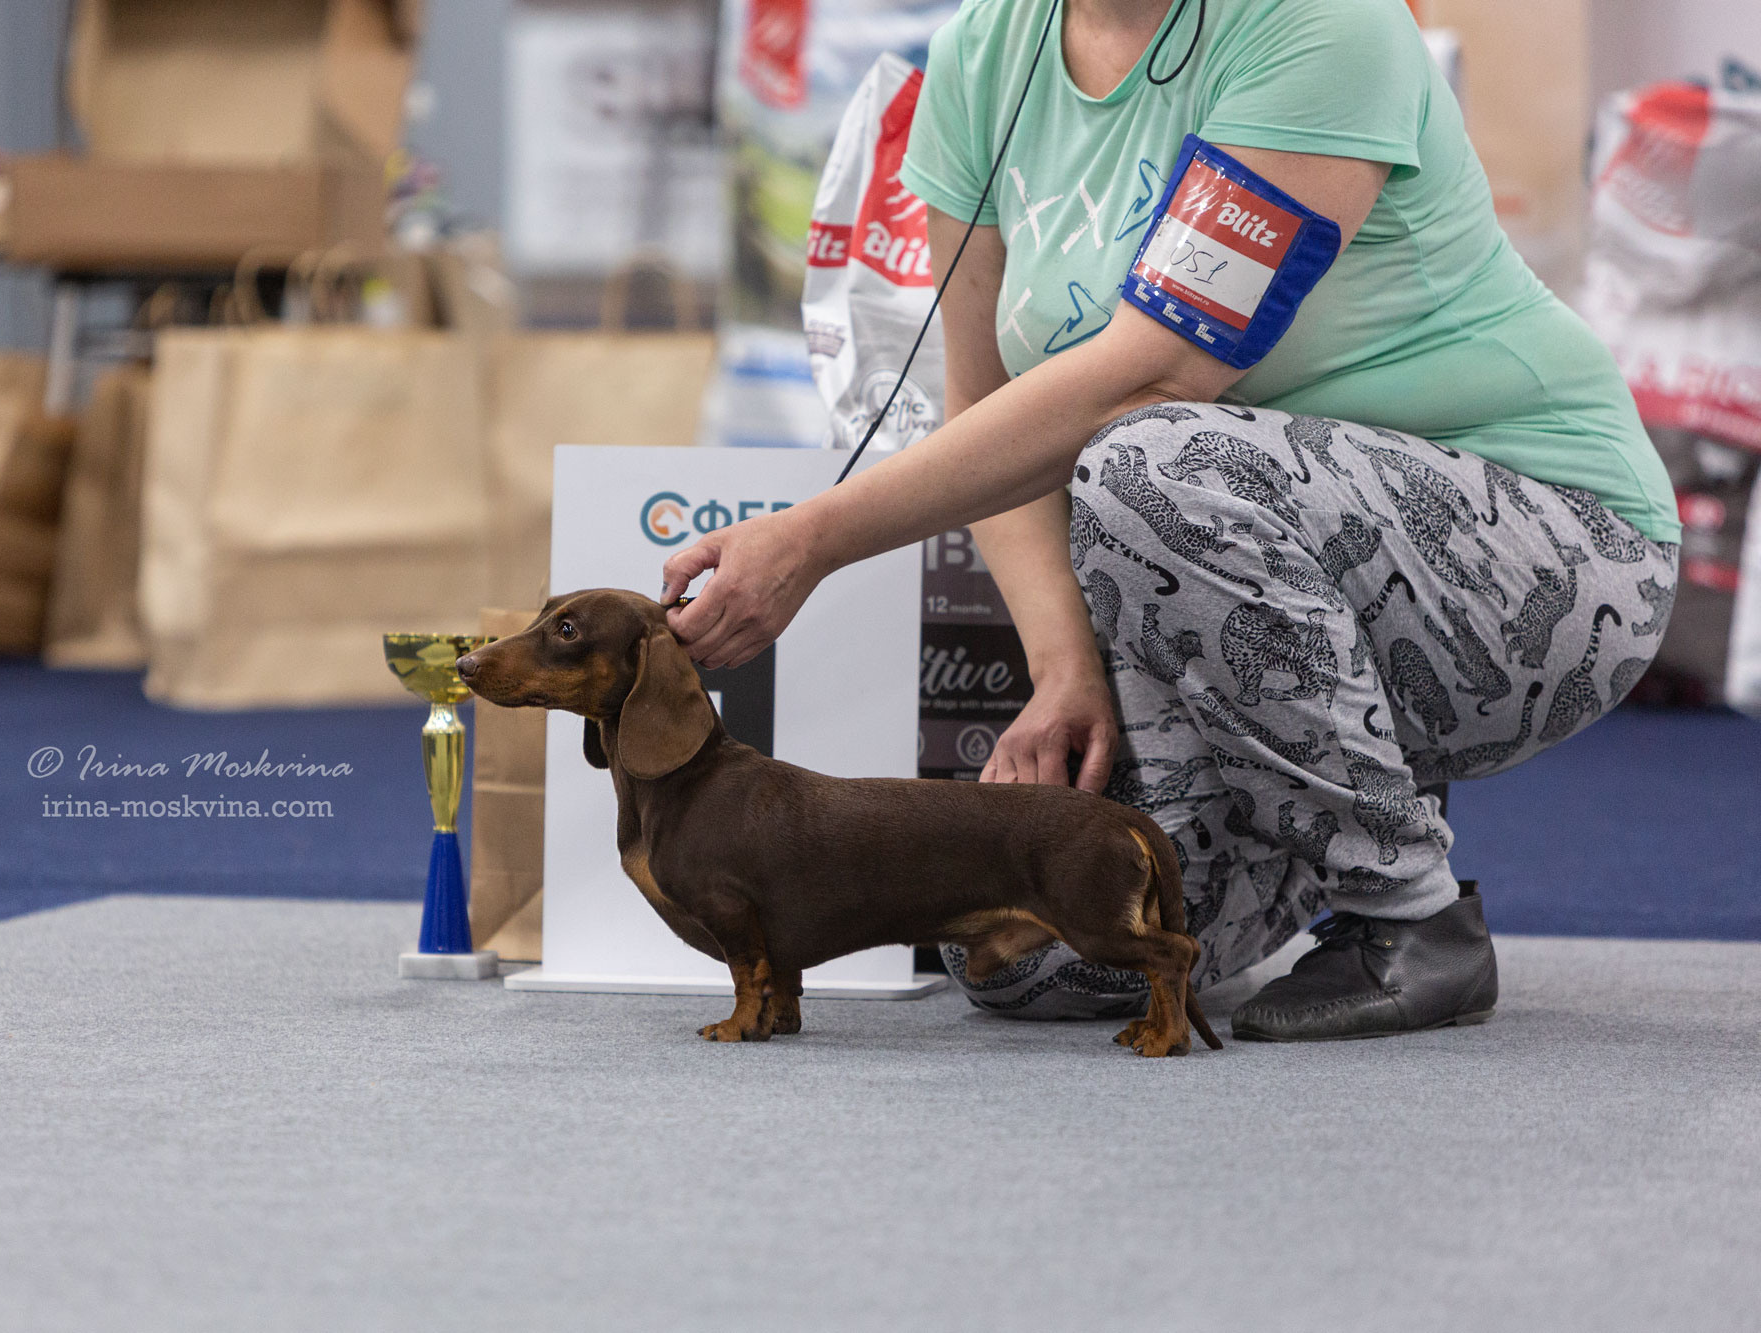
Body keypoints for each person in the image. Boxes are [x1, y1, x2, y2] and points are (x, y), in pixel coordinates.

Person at [660, 0, 1679, 1041]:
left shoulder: (1322, 23)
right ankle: (1332, 796)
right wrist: (1064, 671)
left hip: (1545, 549)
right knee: (1037, 954)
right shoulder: (979, 53)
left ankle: (1409, 915)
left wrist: (810, 539)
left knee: (1155, 456)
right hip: (1257, 558)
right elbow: (979, 407)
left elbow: (1155, 372)